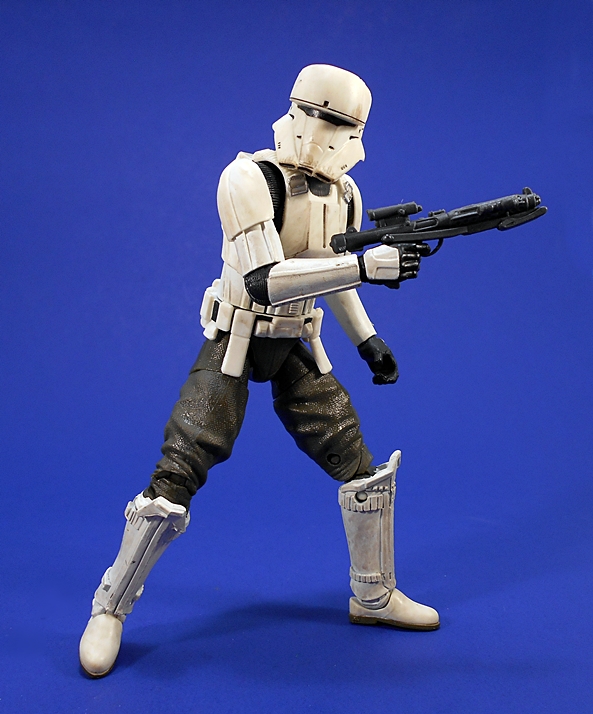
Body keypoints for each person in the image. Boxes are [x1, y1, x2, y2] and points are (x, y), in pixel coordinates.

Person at [79, 64, 439, 679]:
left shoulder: (345, 193)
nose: (345, 143)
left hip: (299, 343)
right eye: (337, 125)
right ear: (304, 116)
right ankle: (110, 606)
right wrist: (364, 267)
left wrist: (369, 341)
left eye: (353, 130)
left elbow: (331, 272)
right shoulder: (247, 179)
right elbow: (264, 280)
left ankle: (373, 594)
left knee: (358, 464)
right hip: (238, 339)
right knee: (179, 469)